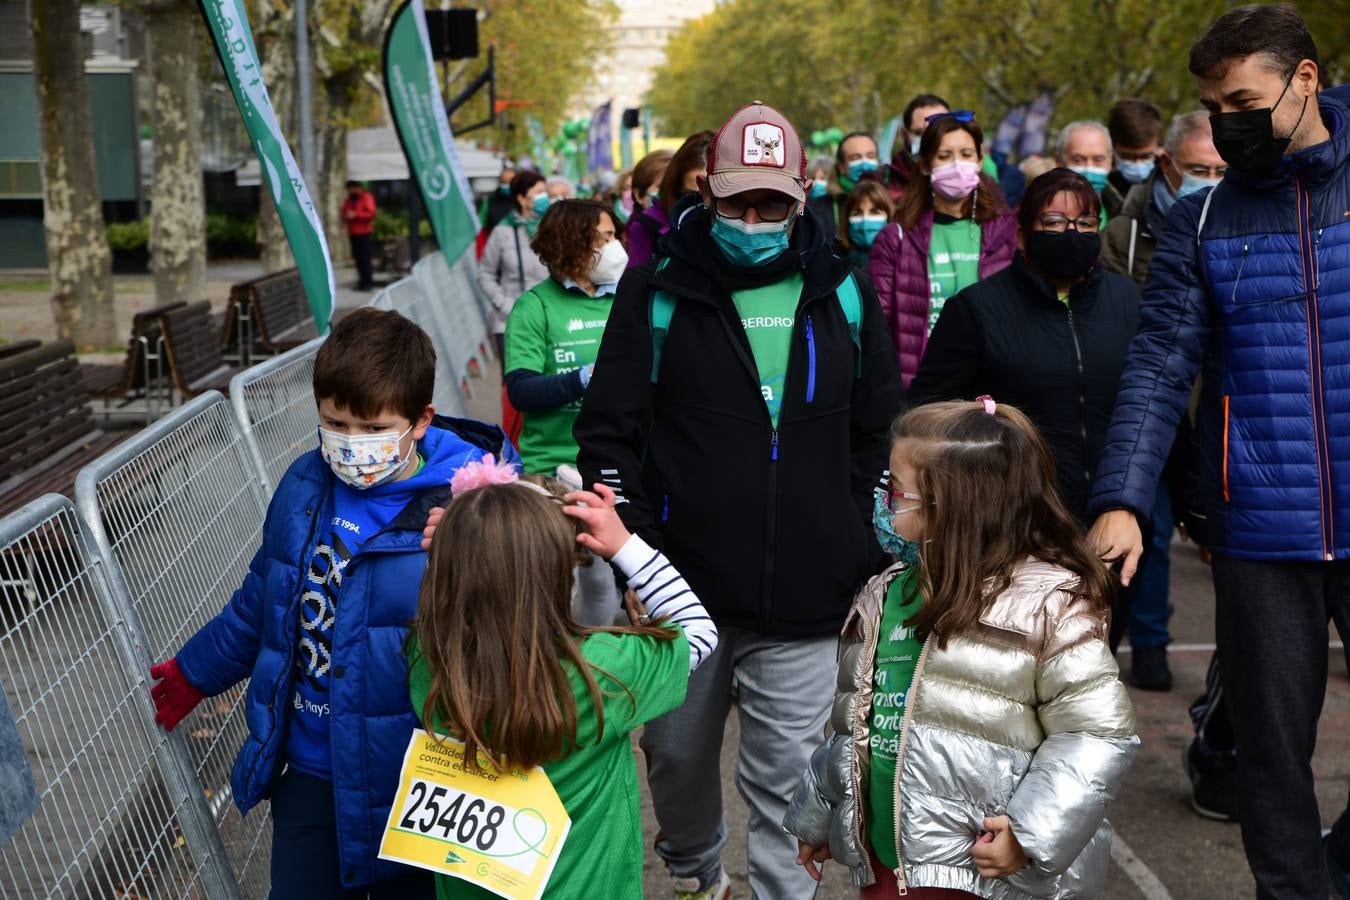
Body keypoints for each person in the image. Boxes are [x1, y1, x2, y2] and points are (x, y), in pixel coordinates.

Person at [574, 100, 903, 900]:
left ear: (801, 197)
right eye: (737, 202)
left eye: (773, 204)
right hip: (679, 596)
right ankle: (693, 871)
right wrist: (637, 559)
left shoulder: (847, 293)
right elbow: (610, 437)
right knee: (680, 761)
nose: (754, 220)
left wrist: (856, 538)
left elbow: (881, 432)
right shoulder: (655, 292)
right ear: (706, 194)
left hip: (808, 598)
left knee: (787, 788)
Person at [1085, 6, 1350, 896]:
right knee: (1271, 756)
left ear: (1304, 80)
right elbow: (1160, 366)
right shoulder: (1201, 222)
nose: (1228, 120)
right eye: (1211, 104)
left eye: (1244, 99)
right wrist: (1121, 496)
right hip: (1261, 532)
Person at [145, 309, 517, 898]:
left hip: (419, 780)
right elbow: (263, 600)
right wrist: (195, 672)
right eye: (335, 423)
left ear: (420, 420)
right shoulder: (305, 485)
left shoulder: (471, 512)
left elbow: (512, 634)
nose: (351, 444)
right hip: (311, 770)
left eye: (373, 429)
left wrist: (484, 554)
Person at [785, 399, 1138, 898]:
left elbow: (1096, 735)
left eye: (897, 491)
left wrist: (1029, 833)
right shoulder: (883, 596)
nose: (883, 500)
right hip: (891, 867)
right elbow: (852, 724)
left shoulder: (1050, 605)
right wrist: (820, 813)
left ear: (955, 505)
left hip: (991, 877)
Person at [409, 469, 718, 899]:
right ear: (560, 573)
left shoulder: (432, 662)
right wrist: (627, 546)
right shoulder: (606, 673)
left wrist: (462, 543)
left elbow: (446, 605)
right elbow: (700, 631)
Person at [909, 168, 1141, 533]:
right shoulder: (977, 309)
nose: (1071, 233)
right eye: (1053, 222)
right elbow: (931, 416)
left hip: (1117, 520)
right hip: (1014, 522)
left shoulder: (1129, 301)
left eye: (1085, 222)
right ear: (1022, 236)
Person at [1099, 111, 1226, 692]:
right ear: (1168, 166)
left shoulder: (1242, 222)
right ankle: (1146, 645)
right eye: (1200, 169)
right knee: (1143, 530)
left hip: (1217, 412)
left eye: (1222, 169)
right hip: (1153, 404)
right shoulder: (1123, 235)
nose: (1212, 180)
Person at [505, 199, 627, 625]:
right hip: (550, 472)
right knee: (550, 586)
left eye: (615, 235)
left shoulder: (627, 300)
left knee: (604, 586)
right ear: (573, 243)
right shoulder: (534, 306)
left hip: (613, 468)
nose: (615, 247)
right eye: (604, 237)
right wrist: (583, 378)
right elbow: (521, 390)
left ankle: (596, 673)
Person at [868, 111, 1017, 388]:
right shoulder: (895, 239)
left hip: (994, 389)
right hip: (922, 391)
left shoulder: (1007, 236)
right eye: (945, 156)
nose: (957, 165)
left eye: (966, 154)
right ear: (925, 165)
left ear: (980, 161)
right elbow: (878, 330)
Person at [478, 170, 551, 360]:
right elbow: (485, 274)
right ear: (522, 199)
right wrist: (506, 305)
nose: (545, 198)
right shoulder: (502, 231)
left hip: (550, 319)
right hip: (511, 321)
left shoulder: (554, 229)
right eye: (538, 192)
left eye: (546, 192)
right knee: (516, 384)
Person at [630, 131, 717, 268]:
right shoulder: (647, 226)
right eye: (693, 195)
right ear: (676, 186)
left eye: (713, 194)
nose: (705, 203)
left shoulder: (744, 226)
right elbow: (635, 284)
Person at [808, 131, 880, 233]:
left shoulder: (893, 201)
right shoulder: (818, 210)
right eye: (856, 158)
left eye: (871, 156)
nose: (865, 164)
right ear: (841, 167)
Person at [884, 93, 950, 201]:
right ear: (904, 134)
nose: (930, 139)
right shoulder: (885, 180)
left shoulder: (974, 176)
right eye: (919, 133)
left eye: (939, 130)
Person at [1055, 121, 1124, 222]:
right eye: (1078, 160)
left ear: (1111, 162)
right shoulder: (1035, 215)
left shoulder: (1125, 217)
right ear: (1059, 161)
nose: (1089, 170)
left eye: (1098, 160)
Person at [624, 148, 675, 267]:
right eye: (661, 187)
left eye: (673, 186)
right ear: (638, 195)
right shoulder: (639, 228)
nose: (668, 193)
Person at [1106, 99, 1164, 201]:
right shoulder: (1100, 184)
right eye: (1127, 157)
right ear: (1112, 148)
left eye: (1146, 156)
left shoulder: (1171, 180)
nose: (1137, 164)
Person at [836, 179, 893, 268]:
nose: (865, 221)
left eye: (875, 212)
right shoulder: (833, 262)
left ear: (889, 216)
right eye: (857, 213)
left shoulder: (903, 259)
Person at [341, 180, 377, 291]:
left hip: (364, 232)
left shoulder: (366, 197)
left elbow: (371, 213)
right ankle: (362, 282)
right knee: (358, 259)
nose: (350, 191)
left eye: (351, 188)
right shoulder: (349, 200)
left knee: (365, 259)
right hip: (353, 232)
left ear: (357, 188)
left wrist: (356, 215)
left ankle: (368, 283)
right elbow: (343, 211)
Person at [481, 164, 517, 233]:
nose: (507, 185)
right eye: (504, 182)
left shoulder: (523, 201)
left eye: (510, 182)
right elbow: (481, 226)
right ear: (499, 181)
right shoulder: (489, 201)